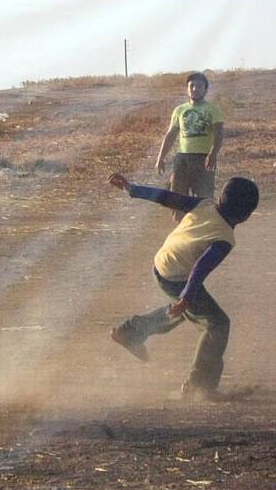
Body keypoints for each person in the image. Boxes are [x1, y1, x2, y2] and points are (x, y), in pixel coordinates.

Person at [108, 172, 258, 400]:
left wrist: (133, 189)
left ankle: (131, 331)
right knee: (217, 324)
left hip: (162, 264)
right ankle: (199, 386)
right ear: (245, 215)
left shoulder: (204, 205)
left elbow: (167, 197)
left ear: (220, 198)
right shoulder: (225, 238)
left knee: (188, 311)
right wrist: (187, 296)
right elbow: (200, 268)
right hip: (176, 276)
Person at [154, 72, 225, 222]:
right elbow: (170, 135)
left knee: (204, 200)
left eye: (199, 86)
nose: (195, 89)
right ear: (187, 89)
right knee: (178, 198)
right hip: (182, 159)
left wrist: (213, 154)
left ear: (205, 89)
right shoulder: (179, 110)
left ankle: (203, 232)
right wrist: (160, 158)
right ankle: (181, 232)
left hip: (204, 159)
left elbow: (219, 134)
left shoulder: (212, 109)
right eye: (191, 86)